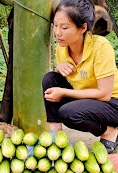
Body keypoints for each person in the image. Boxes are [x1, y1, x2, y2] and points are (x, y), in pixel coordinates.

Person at [42, 0, 118, 154]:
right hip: (89, 100)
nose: (58, 32)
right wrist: (59, 67)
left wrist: (64, 93)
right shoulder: (61, 48)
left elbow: (104, 94)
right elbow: (67, 77)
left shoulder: (101, 47)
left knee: (69, 113)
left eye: (64, 27)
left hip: (112, 103)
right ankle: (56, 135)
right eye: (55, 25)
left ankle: (109, 132)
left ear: (83, 28)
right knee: (49, 79)